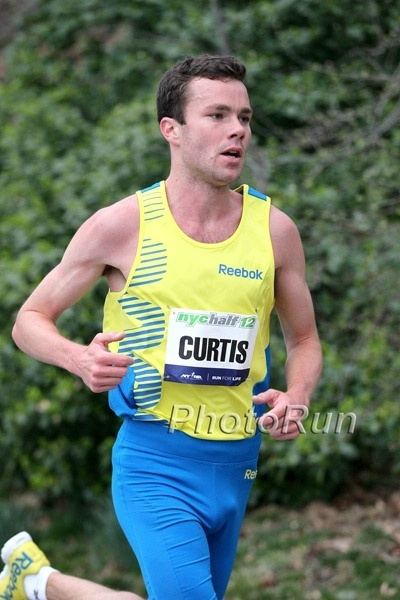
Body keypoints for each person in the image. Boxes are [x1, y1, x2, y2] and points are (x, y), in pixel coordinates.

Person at [2, 55, 322, 600]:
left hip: (237, 461)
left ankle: (38, 583)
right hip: (155, 461)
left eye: (243, 117)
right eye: (217, 115)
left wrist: (298, 395)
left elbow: (304, 340)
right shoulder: (121, 226)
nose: (237, 130)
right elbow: (28, 321)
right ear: (170, 130)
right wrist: (79, 359)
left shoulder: (275, 231)